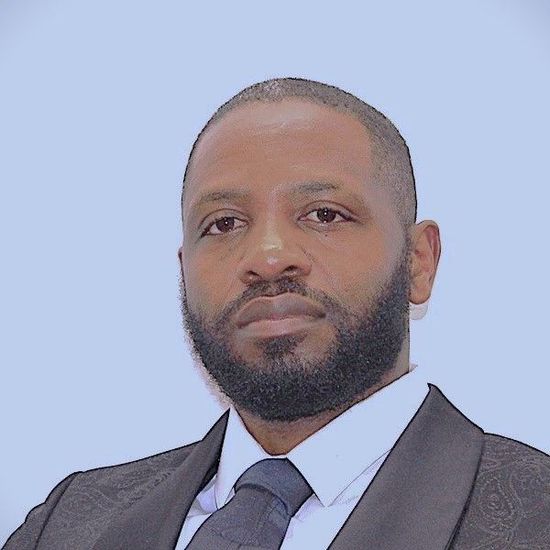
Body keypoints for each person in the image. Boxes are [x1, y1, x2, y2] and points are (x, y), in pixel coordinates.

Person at [4, 78, 549, 550]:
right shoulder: (67, 523)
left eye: (323, 214)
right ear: (184, 269)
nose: (267, 257)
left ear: (418, 261)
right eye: (223, 224)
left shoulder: (535, 514)